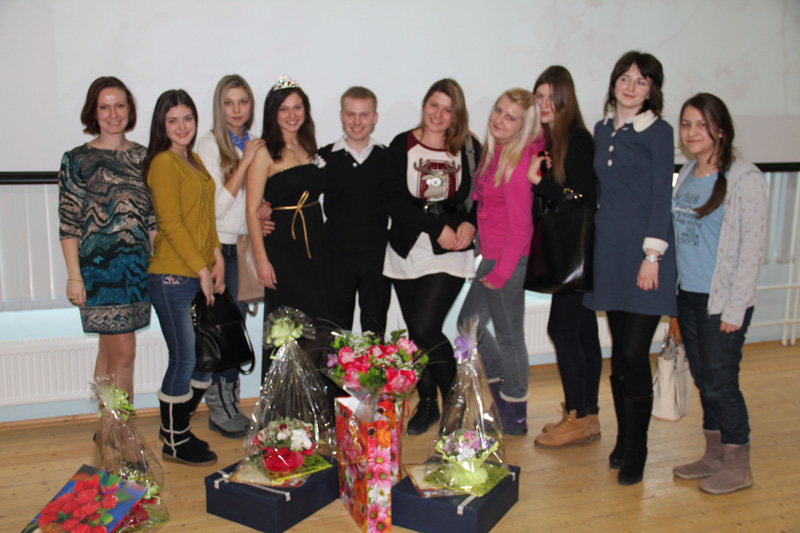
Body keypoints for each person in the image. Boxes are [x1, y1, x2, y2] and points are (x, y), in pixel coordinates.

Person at [582, 51, 677, 485]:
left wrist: (652, 256)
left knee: (636, 353)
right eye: (625, 78)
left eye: (641, 81)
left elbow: (661, 196)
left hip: (646, 257)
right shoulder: (602, 129)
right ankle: (623, 439)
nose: (631, 87)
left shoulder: (659, 131)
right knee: (619, 354)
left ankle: (638, 449)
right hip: (610, 253)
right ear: (614, 82)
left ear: (652, 89)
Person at [670, 93, 767, 494]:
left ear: (720, 130)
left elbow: (752, 250)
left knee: (721, 383)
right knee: (703, 379)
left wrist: (734, 308)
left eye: (701, 125)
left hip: (722, 302)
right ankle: (713, 456)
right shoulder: (687, 172)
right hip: (689, 296)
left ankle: (738, 465)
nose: (691, 132)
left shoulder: (745, 178)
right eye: (686, 124)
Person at [382, 79, 481, 435]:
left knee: (425, 326)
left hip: (451, 249)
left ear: (457, 114)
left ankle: (457, 403)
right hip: (408, 248)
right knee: (417, 335)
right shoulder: (402, 144)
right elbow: (392, 199)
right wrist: (433, 226)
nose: (438, 114)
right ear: (424, 105)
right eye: (434, 105)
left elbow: (481, 195)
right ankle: (427, 404)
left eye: (447, 109)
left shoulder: (469, 147)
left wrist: (470, 221)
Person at [58, 76, 154, 403]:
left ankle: (107, 426)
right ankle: (120, 429)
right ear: (93, 112)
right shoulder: (77, 160)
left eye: (119, 106)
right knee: (124, 353)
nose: (113, 114)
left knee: (109, 350)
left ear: (129, 109)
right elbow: (68, 224)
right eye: (104, 107)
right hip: (99, 275)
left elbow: (152, 220)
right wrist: (74, 276)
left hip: (137, 273)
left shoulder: (145, 157)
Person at [457, 88, 544, 436]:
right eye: (498, 110)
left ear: (523, 126)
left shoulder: (518, 162)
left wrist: (501, 272)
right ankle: (499, 390)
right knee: (468, 327)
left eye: (510, 117)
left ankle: (515, 412)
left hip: (508, 261)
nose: (499, 119)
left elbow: (521, 228)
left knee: (510, 339)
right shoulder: (496, 153)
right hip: (491, 256)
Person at [525, 66, 603, 448]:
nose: (543, 104)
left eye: (550, 97)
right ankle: (587, 415)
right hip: (573, 252)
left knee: (562, 330)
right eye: (538, 96)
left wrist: (540, 184)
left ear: (565, 99)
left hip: (578, 252)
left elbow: (584, 199)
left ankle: (577, 416)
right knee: (583, 331)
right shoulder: (554, 138)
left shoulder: (576, 138)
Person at [145, 89, 223, 466]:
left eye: (187, 118)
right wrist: (202, 269)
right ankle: (175, 441)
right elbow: (171, 224)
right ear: (162, 125)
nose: (181, 126)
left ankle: (174, 427)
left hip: (194, 272)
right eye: (172, 120)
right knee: (184, 359)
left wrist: (217, 257)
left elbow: (204, 218)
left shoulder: (192, 160)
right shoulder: (163, 163)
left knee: (201, 360)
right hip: (171, 277)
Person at [245, 76, 329, 382]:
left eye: (298, 107)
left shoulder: (309, 147)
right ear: (273, 113)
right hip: (283, 250)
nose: (292, 115)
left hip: (315, 246)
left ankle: (312, 396)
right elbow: (252, 210)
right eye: (284, 109)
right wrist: (262, 260)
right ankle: (281, 401)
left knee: (317, 323)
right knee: (286, 327)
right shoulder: (265, 152)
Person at [196, 74, 265, 439]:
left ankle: (232, 404)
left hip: (245, 246)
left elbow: (253, 202)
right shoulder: (209, 145)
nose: (236, 110)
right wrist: (244, 162)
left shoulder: (256, 142)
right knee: (221, 330)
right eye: (228, 103)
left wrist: (265, 210)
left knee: (236, 331)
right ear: (219, 107)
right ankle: (219, 408)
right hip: (219, 248)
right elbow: (215, 209)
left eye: (243, 102)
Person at [318, 86, 391, 336]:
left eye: (364, 115)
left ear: (375, 118)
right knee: (335, 334)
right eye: (350, 114)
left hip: (377, 258)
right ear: (341, 116)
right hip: (335, 258)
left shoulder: (388, 158)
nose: (357, 121)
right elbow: (301, 195)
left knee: (375, 334)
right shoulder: (323, 157)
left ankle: (374, 366)